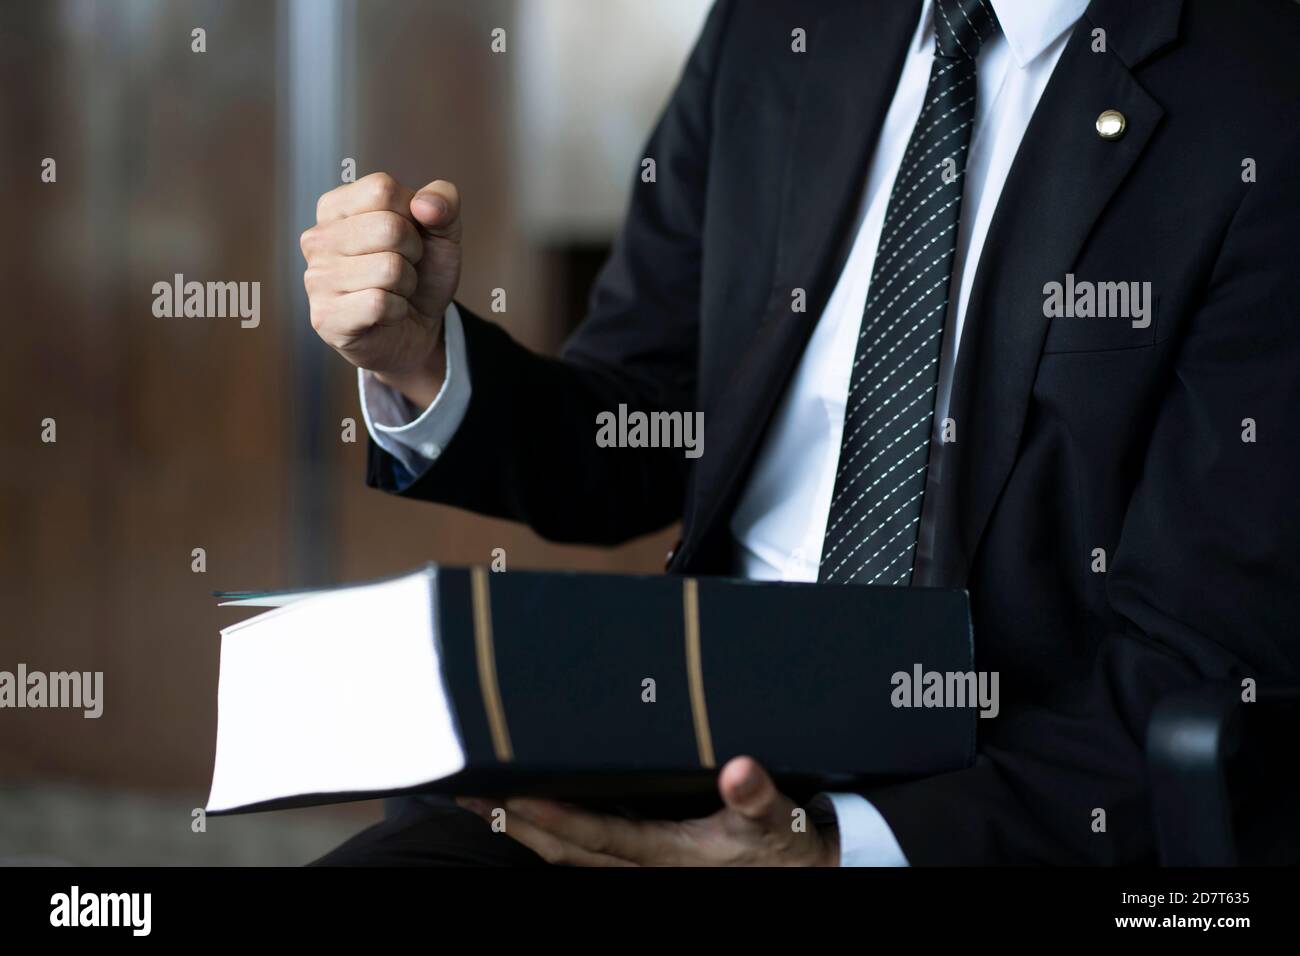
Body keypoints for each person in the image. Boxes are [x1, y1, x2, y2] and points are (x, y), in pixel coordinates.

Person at [298, 0, 1300, 865]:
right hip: (689, 732)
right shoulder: (779, 22)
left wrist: (834, 849)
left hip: (983, 795)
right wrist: (421, 360)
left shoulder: (1255, 94)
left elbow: (1197, 664)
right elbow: (636, 427)